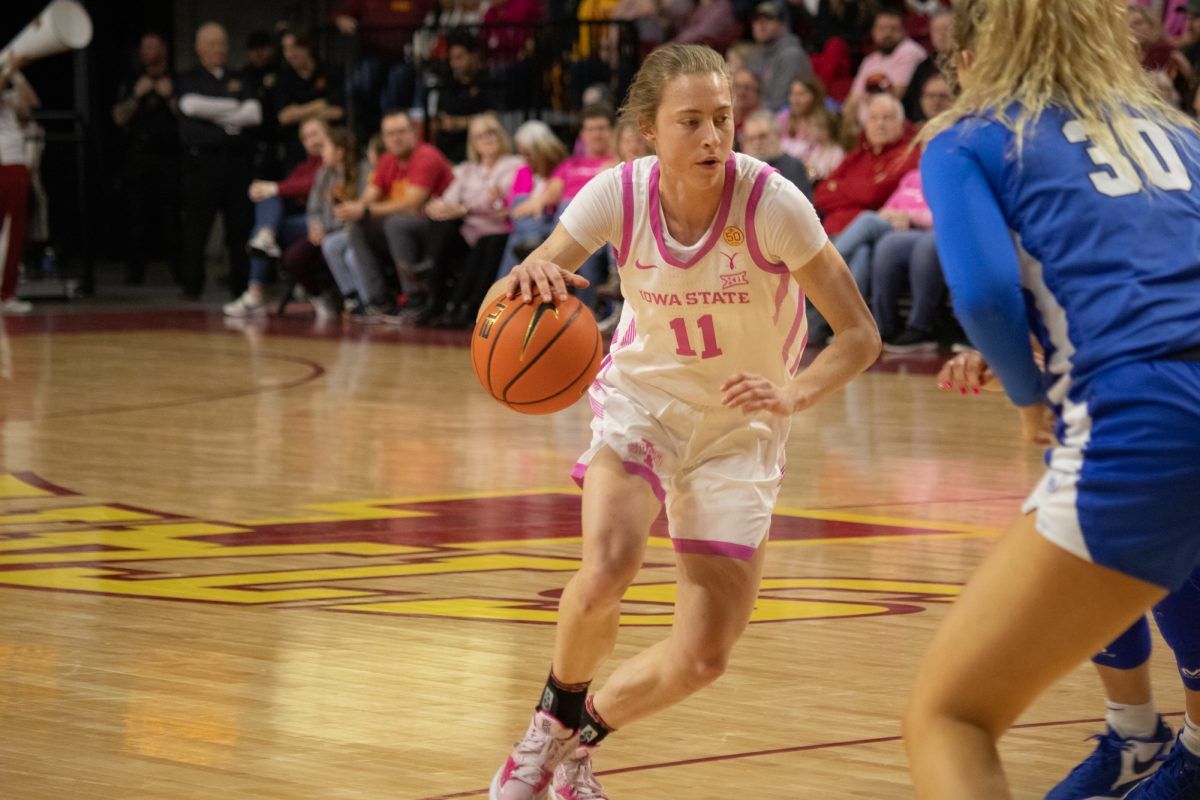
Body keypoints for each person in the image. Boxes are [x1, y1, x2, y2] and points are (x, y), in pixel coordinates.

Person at [481, 42, 880, 800]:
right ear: (648, 131)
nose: (712, 138)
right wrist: (523, 274)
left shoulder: (771, 202)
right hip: (645, 404)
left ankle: (579, 743)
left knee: (704, 657)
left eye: (723, 120)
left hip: (742, 427)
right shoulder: (616, 195)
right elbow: (518, 287)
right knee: (607, 567)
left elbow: (861, 336)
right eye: (690, 122)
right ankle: (543, 728)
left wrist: (793, 394)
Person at [902, 2, 1200, 799]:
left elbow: (988, 292)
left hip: (1143, 407)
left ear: (970, 57)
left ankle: (1148, 742)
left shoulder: (968, 138)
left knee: (949, 717)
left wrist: (1029, 394)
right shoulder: (1174, 130)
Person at [337, 109, 454, 319]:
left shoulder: (426, 156)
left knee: (395, 223)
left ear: (414, 132)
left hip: (438, 225)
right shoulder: (386, 161)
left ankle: (415, 296)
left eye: (401, 131)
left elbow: (411, 204)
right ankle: (378, 300)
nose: (396, 138)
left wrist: (364, 210)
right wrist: (352, 209)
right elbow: (369, 197)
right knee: (359, 226)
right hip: (405, 225)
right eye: (390, 134)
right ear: (384, 138)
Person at [175, 22, 262, 300]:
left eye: (223, 43)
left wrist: (211, 115)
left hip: (237, 164)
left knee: (240, 228)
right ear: (199, 48)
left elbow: (254, 115)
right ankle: (191, 286)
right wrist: (232, 110)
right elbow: (189, 110)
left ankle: (241, 287)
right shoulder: (187, 78)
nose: (219, 49)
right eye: (212, 44)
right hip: (203, 165)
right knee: (196, 228)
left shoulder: (240, 77)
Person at [505, 104, 618, 308]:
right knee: (522, 209)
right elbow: (549, 195)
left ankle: (585, 309)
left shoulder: (615, 164)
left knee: (567, 205)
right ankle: (509, 301)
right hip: (559, 224)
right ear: (582, 134)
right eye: (590, 129)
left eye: (601, 128)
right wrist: (534, 204)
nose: (596, 134)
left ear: (611, 131)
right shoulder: (570, 165)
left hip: (594, 226)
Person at [419, 113, 523, 327]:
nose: (487, 139)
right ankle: (435, 295)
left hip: (498, 228)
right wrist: (437, 207)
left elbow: (501, 204)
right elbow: (449, 200)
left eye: (491, 133)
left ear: (500, 135)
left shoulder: (515, 165)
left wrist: (464, 208)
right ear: (473, 143)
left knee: (488, 241)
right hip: (468, 230)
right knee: (441, 223)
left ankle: (463, 305)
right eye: (480, 136)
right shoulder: (467, 170)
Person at [225, 117, 329, 317]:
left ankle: (256, 288)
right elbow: (291, 187)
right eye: (306, 137)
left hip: (326, 221)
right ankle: (265, 237)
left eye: (315, 133)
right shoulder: (303, 167)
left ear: (328, 133)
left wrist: (272, 187)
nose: (312, 140)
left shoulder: (334, 159)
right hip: (304, 223)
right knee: (267, 208)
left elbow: (313, 184)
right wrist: (270, 190)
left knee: (270, 195)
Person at [113, 33, 180, 287]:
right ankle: (134, 273)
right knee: (136, 217)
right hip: (138, 154)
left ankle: (178, 271)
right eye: (144, 47)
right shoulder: (132, 81)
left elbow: (187, 115)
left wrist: (169, 95)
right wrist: (137, 96)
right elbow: (118, 117)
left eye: (153, 45)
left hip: (169, 154)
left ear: (164, 48)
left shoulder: (176, 79)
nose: (148, 51)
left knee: (171, 215)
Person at [812, 93, 918, 236]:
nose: (880, 124)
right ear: (866, 124)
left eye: (887, 118)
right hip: (830, 233)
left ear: (901, 123)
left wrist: (838, 187)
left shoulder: (908, 154)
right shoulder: (857, 155)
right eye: (873, 118)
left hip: (869, 236)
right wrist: (862, 189)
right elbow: (820, 194)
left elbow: (874, 194)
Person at [495, 120, 569, 280]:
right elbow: (516, 209)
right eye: (522, 153)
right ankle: (530, 240)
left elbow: (556, 199)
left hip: (550, 227)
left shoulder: (562, 169)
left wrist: (537, 203)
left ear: (542, 150)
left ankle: (502, 290)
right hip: (524, 229)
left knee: (515, 240)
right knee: (517, 229)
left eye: (528, 153)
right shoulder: (523, 172)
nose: (525, 158)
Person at [274, 29, 345, 169]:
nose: (290, 54)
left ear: (307, 47)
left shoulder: (330, 71)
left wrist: (299, 111)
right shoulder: (284, 79)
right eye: (286, 49)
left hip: (331, 150)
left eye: (294, 48)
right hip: (297, 153)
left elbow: (338, 112)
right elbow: (284, 117)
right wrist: (319, 105)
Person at [844, 9, 928, 126]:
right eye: (882, 29)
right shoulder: (870, 60)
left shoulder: (910, 51)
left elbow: (895, 96)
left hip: (894, 124)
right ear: (873, 32)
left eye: (893, 29)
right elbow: (853, 99)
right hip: (866, 127)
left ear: (904, 31)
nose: (887, 34)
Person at [0, 57, 38, 315]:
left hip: (13, 162)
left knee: (13, 231)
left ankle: (6, 293)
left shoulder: (10, 85)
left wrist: (17, 75)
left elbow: (30, 107)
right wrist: (6, 70)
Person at [748, 1, 815, 110]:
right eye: (756, 18)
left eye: (769, 18)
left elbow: (780, 103)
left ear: (784, 25)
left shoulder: (791, 56)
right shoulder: (758, 53)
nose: (761, 24)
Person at [739, 109, 814, 198]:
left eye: (763, 137)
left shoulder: (794, 167)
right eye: (750, 139)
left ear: (778, 135)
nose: (756, 143)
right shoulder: (744, 171)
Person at [902, 8, 953, 122]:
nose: (941, 34)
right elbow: (909, 104)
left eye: (946, 29)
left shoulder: (968, 64)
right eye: (936, 30)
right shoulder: (923, 67)